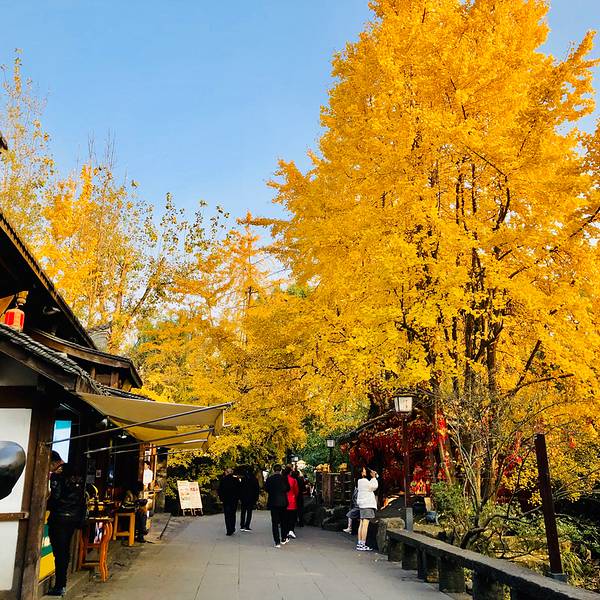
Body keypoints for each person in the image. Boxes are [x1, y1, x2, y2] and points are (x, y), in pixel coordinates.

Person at [46, 451, 86, 596]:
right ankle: (62, 583)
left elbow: (55, 498)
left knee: (59, 553)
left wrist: (47, 504)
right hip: (73, 518)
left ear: (53, 463)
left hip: (59, 518)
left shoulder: (57, 476)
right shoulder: (77, 474)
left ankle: (60, 585)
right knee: (65, 551)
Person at [264, 464, 289, 548]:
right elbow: (287, 488)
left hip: (273, 502)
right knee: (283, 521)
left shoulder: (270, 479)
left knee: (274, 522)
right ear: (280, 470)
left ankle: (277, 542)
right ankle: (283, 538)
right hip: (283, 502)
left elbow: (266, 489)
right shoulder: (284, 478)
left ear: (273, 470)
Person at [356, 466, 378, 551]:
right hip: (367, 504)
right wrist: (374, 477)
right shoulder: (364, 481)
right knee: (365, 525)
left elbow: (369, 487)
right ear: (362, 473)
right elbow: (374, 487)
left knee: (361, 524)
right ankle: (363, 544)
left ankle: (359, 543)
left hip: (362, 505)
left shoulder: (359, 481)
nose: (365, 471)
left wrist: (372, 478)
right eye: (364, 470)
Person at [218, 467, 240, 536]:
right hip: (234, 500)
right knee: (233, 514)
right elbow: (239, 490)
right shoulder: (236, 480)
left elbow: (220, 490)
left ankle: (229, 530)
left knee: (227, 515)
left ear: (226, 472)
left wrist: (221, 498)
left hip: (226, 500)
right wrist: (238, 498)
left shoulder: (223, 480)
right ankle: (232, 527)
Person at [239, 467, 259, 532]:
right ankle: (247, 525)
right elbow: (257, 490)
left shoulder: (243, 479)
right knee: (249, 512)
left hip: (244, 497)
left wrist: (240, 497)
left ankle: (242, 525)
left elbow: (240, 488)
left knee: (243, 512)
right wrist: (256, 498)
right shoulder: (254, 479)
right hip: (251, 498)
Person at [285, 466, 299, 540]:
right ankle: (291, 530)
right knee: (292, 517)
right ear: (290, 472)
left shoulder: (282, 479)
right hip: (292, 500)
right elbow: (296, 491)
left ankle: (285, 530)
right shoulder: (293, 480)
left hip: (284, 500)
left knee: (285, 517)